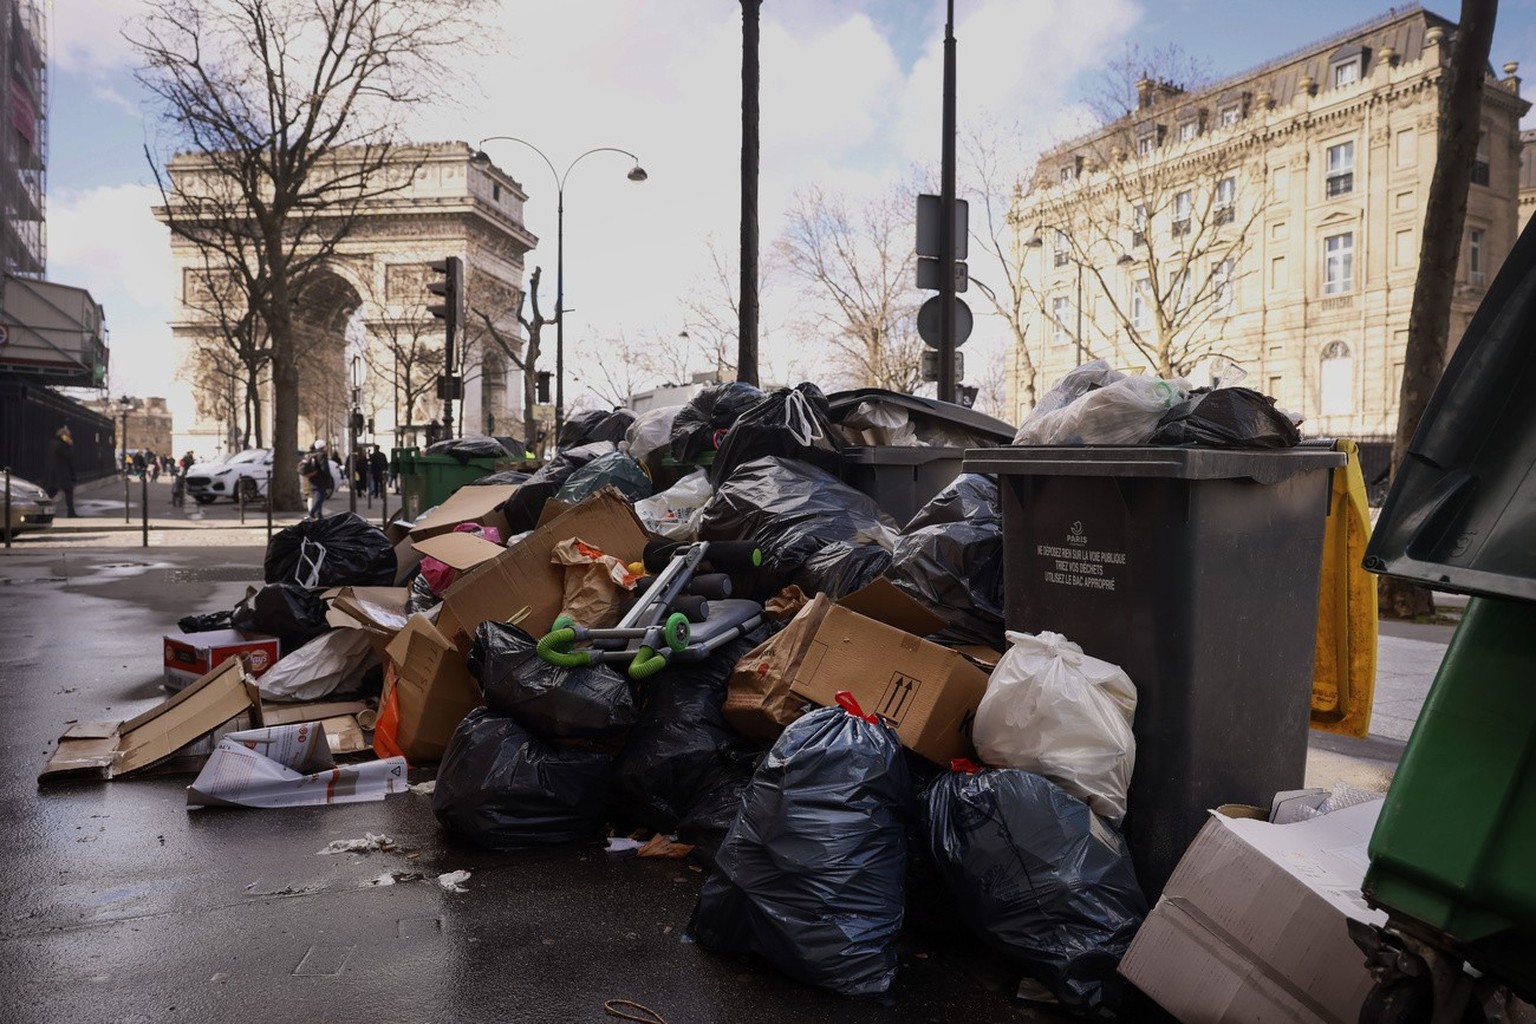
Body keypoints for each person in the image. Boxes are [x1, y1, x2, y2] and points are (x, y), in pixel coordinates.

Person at [47, 426, 78, 517]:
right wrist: (69, 444)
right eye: (68, 435)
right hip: (62, 473)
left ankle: (70, 512)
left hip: (56, 473)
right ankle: (71, 512)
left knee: (52, 491)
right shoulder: (61, 445)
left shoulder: (54, 443)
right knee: (67, 491)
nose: (70, 436)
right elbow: (69, 455)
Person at [301, 440, 335, 520]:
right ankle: (311, 513)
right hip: (320, 480)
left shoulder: (312, 455)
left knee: (318, 496)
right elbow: (324, 468)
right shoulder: (322, 455)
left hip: (313, 479)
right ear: (323, 447)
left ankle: (318, 515)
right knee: (320, 497)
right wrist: (328, 477)